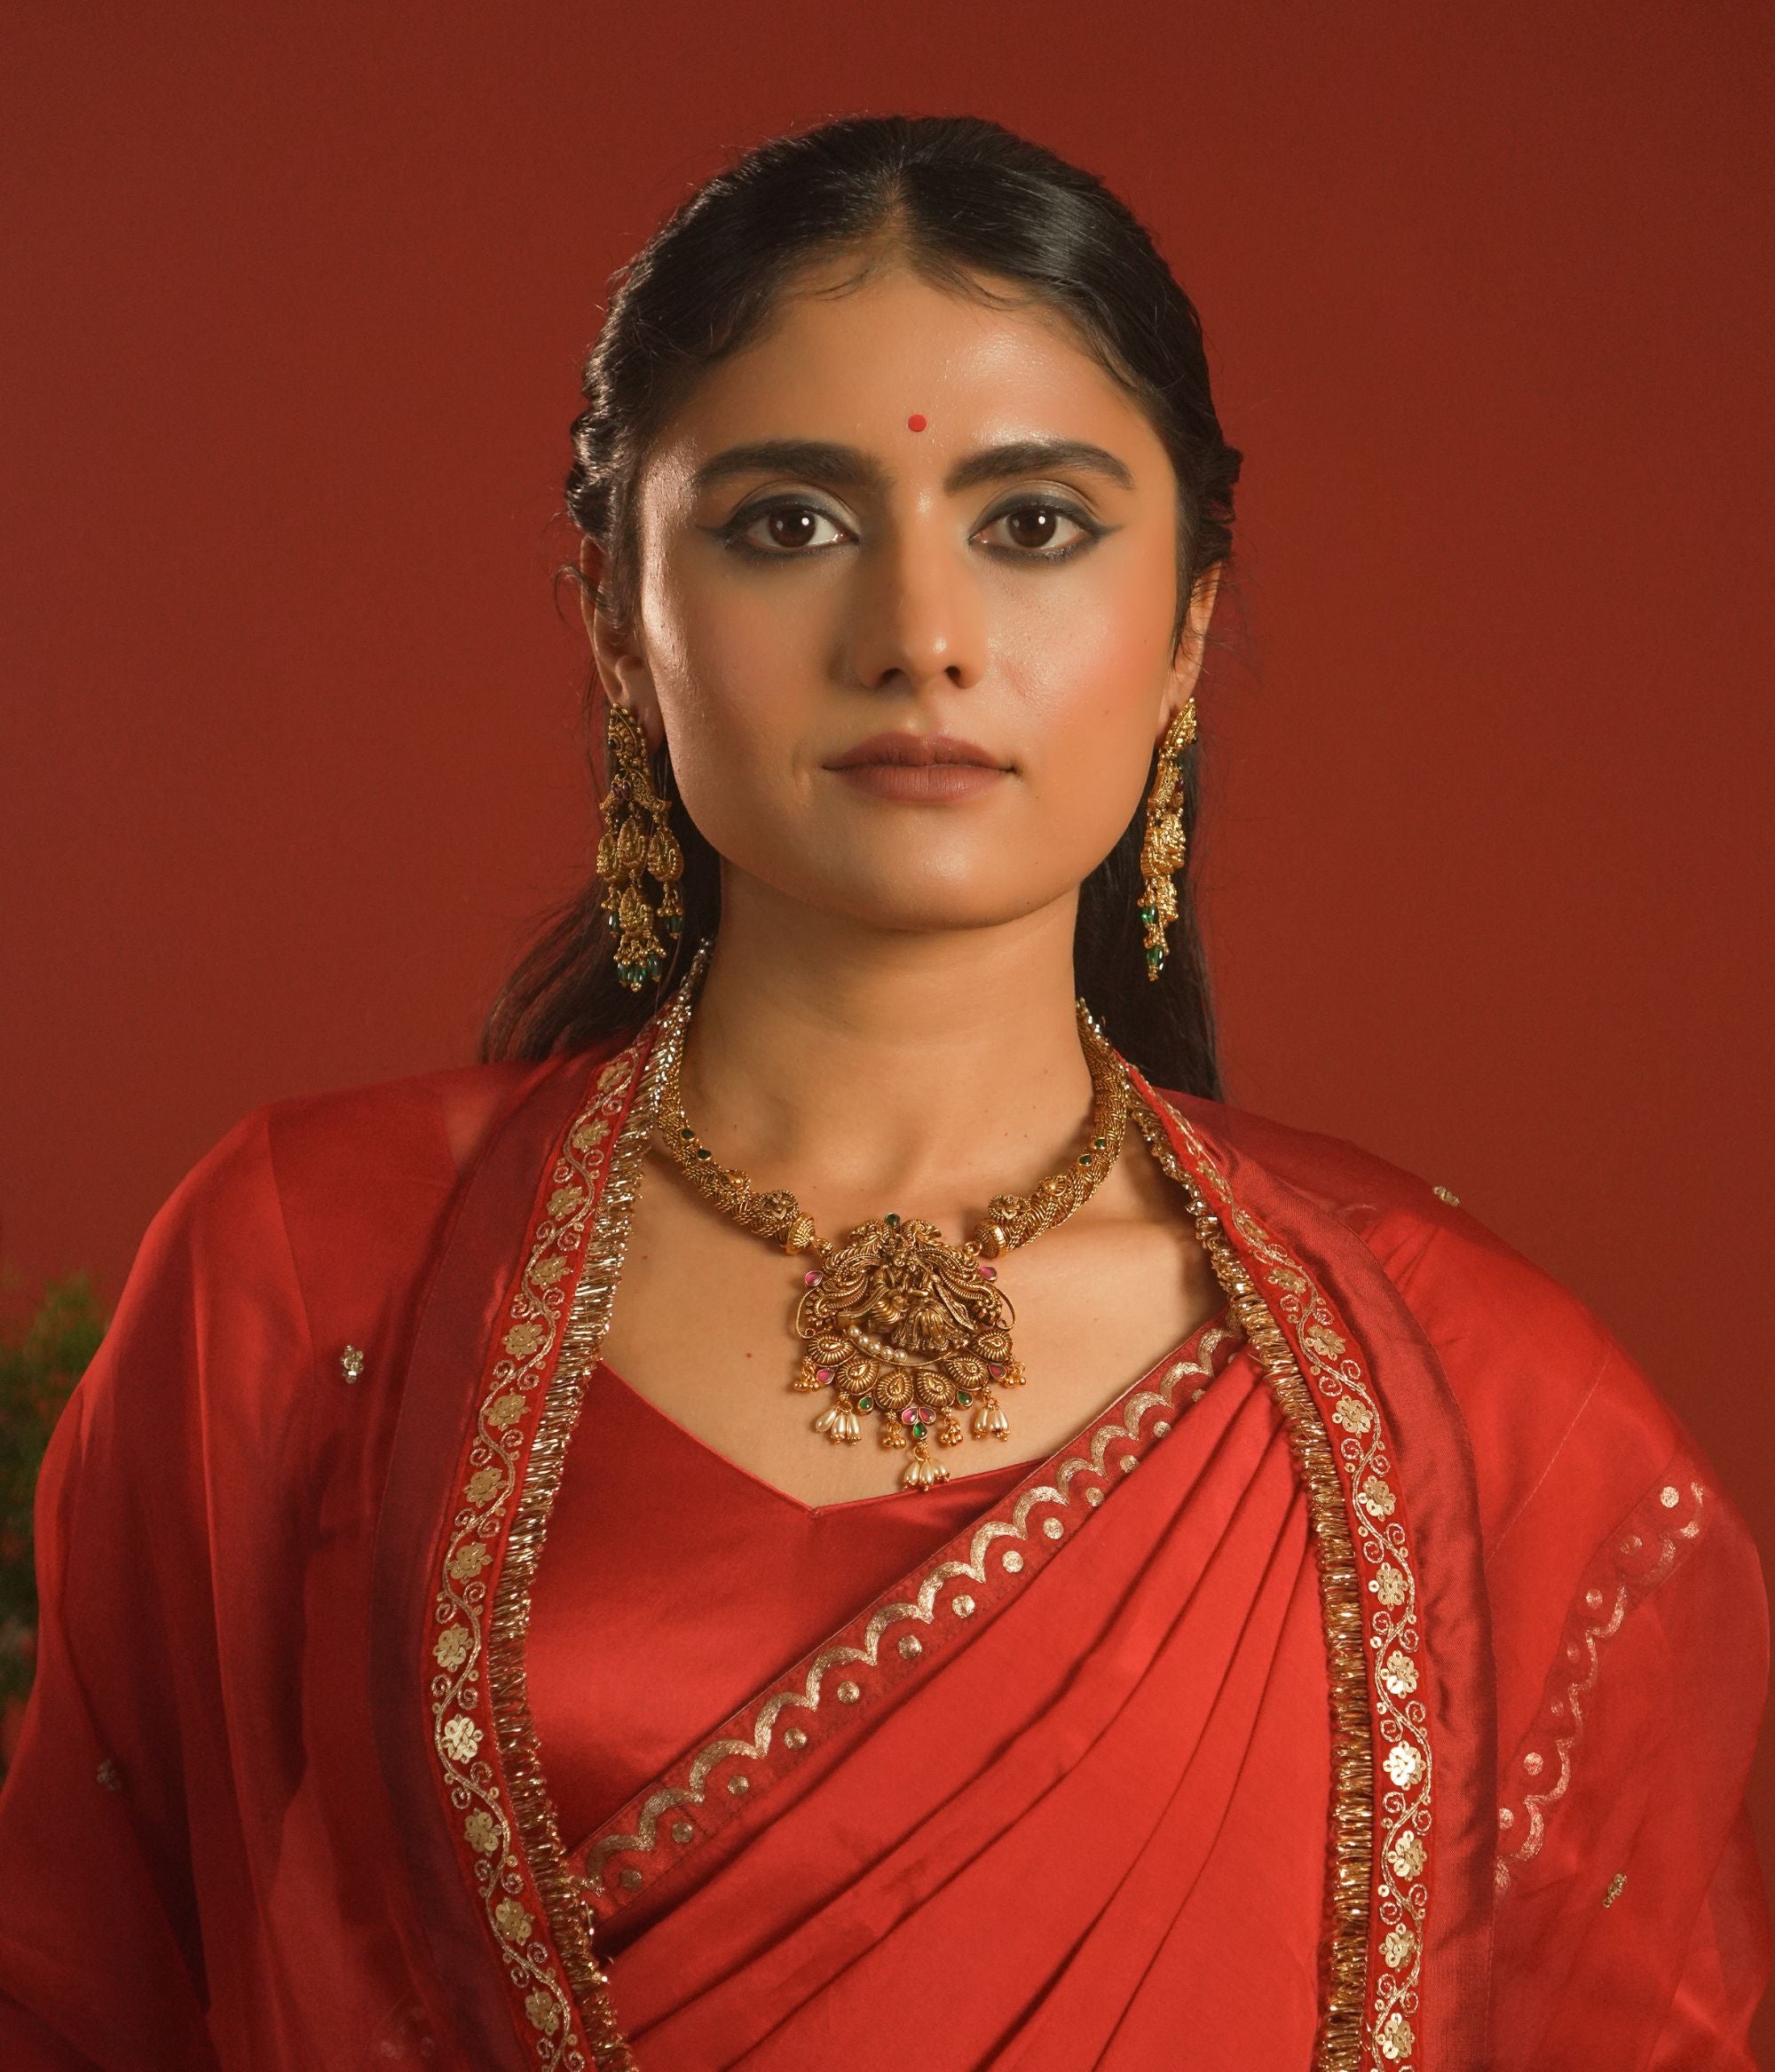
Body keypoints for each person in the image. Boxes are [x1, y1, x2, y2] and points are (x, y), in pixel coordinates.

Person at [0, 113, 1765, 2072]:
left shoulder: (1495, 1411)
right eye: (786, 523)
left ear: (1184, 621)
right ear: (614, 612)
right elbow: (86, 1995)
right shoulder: (311, 1280)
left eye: (1032, 526)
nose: (916, 640)